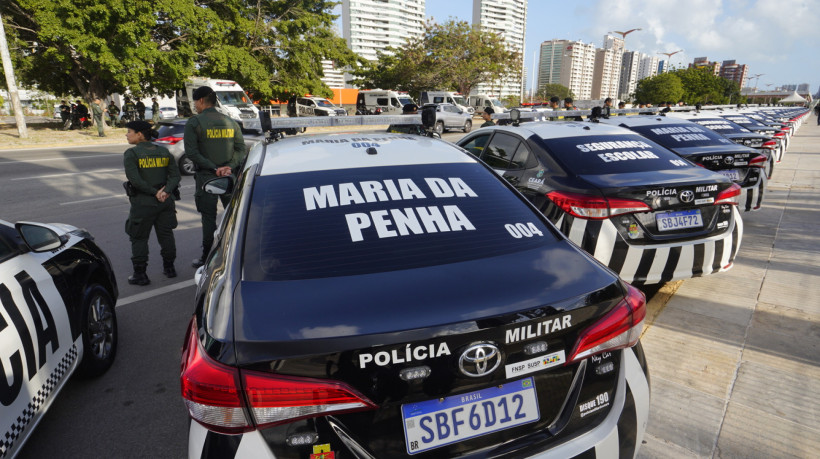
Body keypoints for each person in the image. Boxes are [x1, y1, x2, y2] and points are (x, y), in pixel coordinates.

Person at [184, 86, 246, 268]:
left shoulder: (194, 123)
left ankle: (207, 256)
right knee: (234, 216)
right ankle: (237, 252)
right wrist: (229, 167)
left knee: (208, 219)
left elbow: (192, 153)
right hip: (229, 178)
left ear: (201, 100)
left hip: (206, 178)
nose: (195, 105)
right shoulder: (231, 121)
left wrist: (213, 168)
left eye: (195, 102)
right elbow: (241, 149)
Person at [122, 120, 180, 285]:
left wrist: (155, 193)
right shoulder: (163, 152)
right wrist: (166, 191)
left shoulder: (131, 154)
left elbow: (135, 180)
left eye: (129, 131)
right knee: (166, 235)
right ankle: (170, 269)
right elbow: (175, 176)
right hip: (165, 201)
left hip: (143, 203)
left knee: (139, 238)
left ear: (139, 134)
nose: (127, 134)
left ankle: (140, 275)